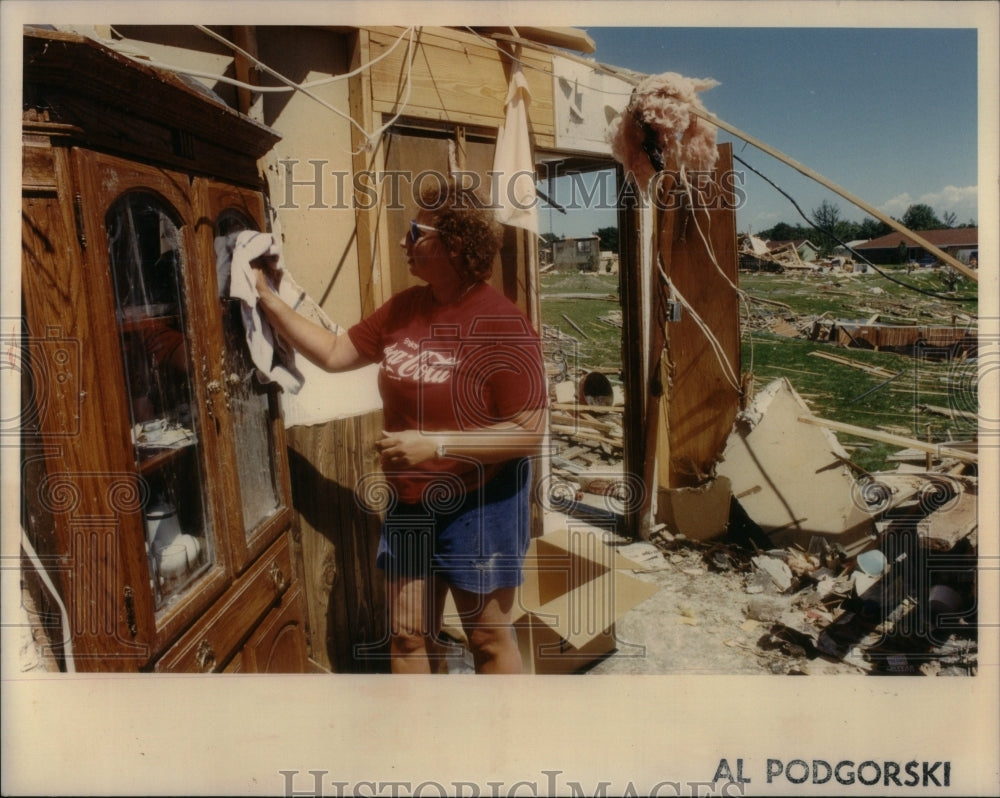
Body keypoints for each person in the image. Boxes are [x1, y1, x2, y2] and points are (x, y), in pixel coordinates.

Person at [253, 179, 547, 674]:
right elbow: (333, 352)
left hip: (482, 502)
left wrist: (435, 445)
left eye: (414, 232)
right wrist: (267, 297)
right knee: (408, 639)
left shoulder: (503, 325)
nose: (402, 241)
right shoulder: (406, 308)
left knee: (487, 641)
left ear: (452, 243)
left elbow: (527, 431)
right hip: (411, 503)